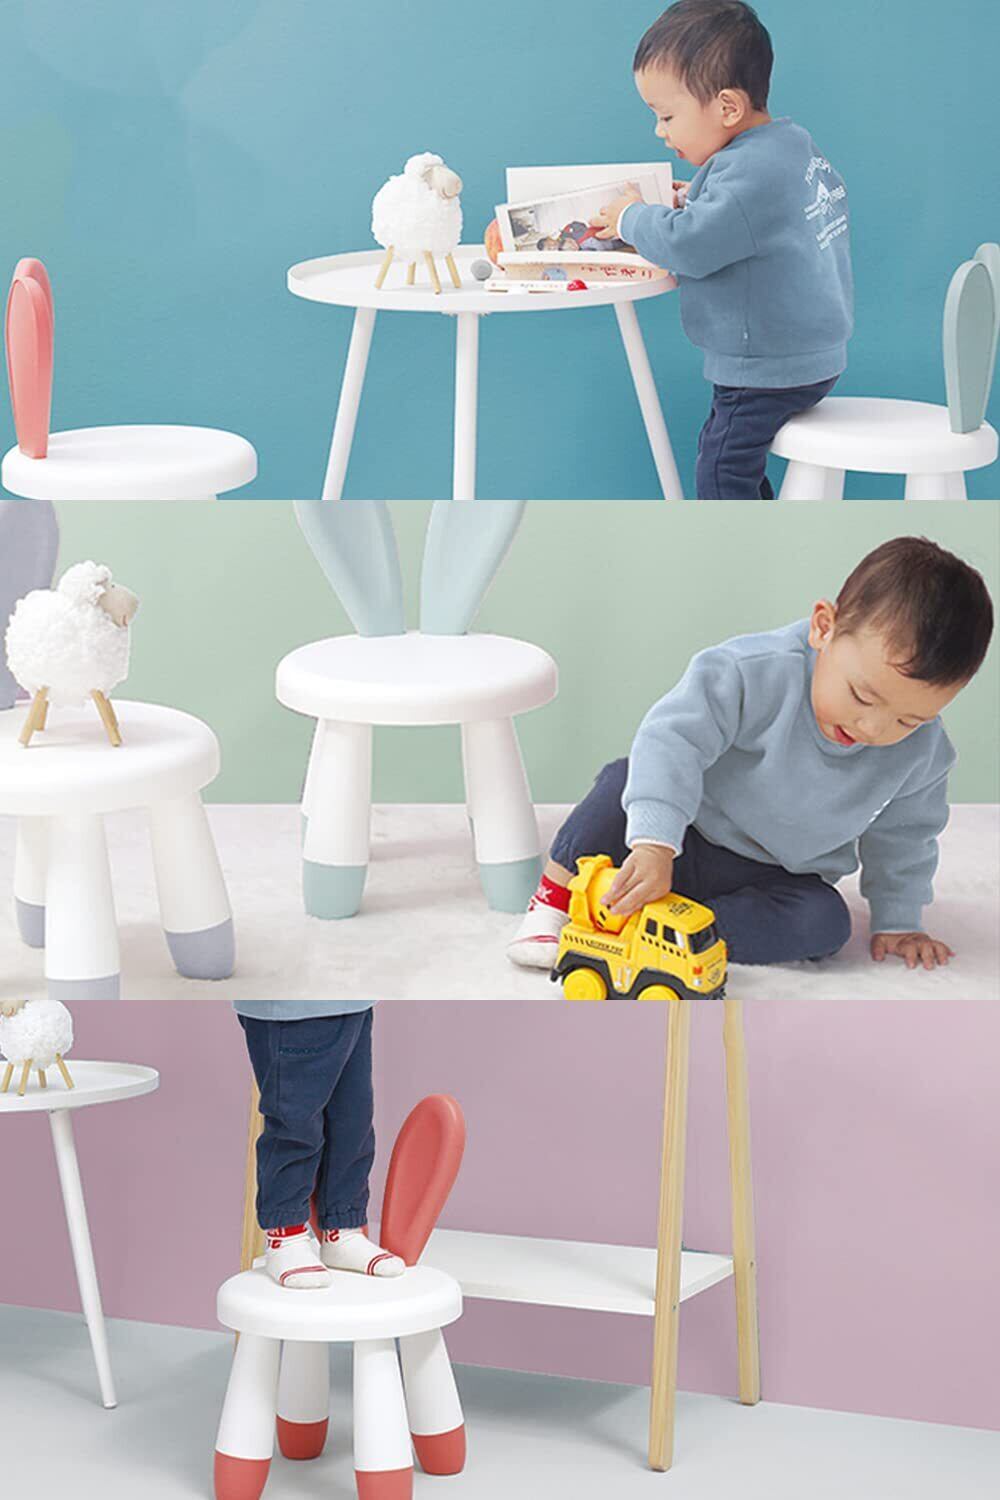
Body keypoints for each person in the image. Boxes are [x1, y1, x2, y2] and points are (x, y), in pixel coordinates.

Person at [509, 537, 993, 971]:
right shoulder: (752, 672)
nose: (873, 728)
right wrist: (654, 844)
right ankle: (553, 901)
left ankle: (682, 933)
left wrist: (900, 920)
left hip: (778, 875)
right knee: (626, 781)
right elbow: (672, 741)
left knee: (825, 923)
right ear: (824, 628)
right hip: (687, 833)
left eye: (909, 720)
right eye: (862, 696)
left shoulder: (923, 754)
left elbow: (905, 837)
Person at [591, 0, 853, 498]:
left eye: (667, 115)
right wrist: (694, 196)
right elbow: (765, 218)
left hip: (765, 369)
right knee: (736, 460)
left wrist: (631, 217)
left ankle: (739, 536)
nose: (660, 131)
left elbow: (688, 245)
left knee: (720, 468)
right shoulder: (791, 145)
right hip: (813, 357)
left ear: (728, 107)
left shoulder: (747, 174)